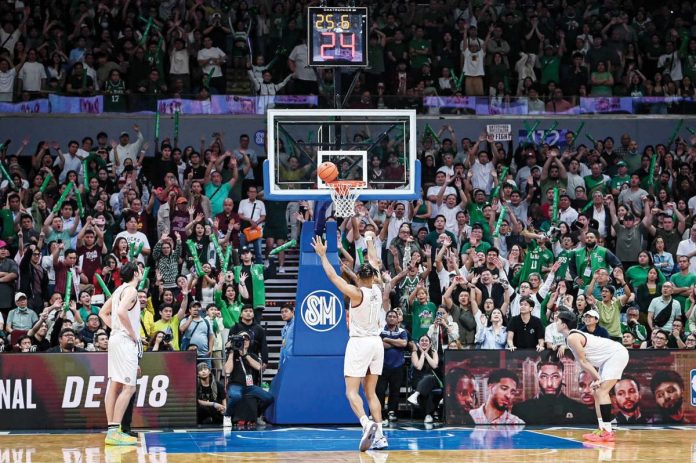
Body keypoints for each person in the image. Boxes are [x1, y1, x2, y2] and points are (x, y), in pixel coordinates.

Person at [312, 234, 387, 452]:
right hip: (377, 344)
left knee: (351, 392)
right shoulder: (377, 289)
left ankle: (366, 423)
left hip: (360, 343)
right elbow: (374, 261)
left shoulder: (356, 293)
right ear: (373, 276)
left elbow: (333, 277)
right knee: (371, 392)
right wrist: (370, 240)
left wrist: (323, 255)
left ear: (358, 278)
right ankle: (380, 437)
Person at [557, 311, 629, 442]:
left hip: (616, 354)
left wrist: (597, 379)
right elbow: (585, 363)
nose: (555, 323)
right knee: (597, 391)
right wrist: (596, 378)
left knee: (602, 391)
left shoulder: (573, 337)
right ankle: (602, 429)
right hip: (607, 359)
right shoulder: (570, 338)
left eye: (558, 321)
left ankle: (608, 431)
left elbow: (584, 362)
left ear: (563, 324)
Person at [100, 262, 142, 446]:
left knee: (115, 384)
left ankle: (112, 431)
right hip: (124, 340)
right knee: (129, 387)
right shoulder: (131, 291)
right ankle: (115, 431)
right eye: (139, 269)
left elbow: (103, 313)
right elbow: (120, 311)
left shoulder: (118, 290)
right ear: (135, 273)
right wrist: (133, 335)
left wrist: (117, 328)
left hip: (115, 338)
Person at [513, 353, 595, 425]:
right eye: (544, 377)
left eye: (555, 377)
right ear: (537, 377)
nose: (549, 384)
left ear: (563, 377)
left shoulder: (580, 409)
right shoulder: (520, 410)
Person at [377, 309, 408, 425]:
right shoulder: (380, 331)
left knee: (395, 391)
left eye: (394, 316)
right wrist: (396, 342)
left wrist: (387, 340)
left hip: (398, 366)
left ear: (397, 319)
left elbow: (404, 344)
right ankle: (380, 413)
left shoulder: (402, 331)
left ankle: (392, 412)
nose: (391, 318)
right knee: (380, 391)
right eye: (389, 316)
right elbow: (380, 345)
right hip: (382, 366)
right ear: (386, 319)